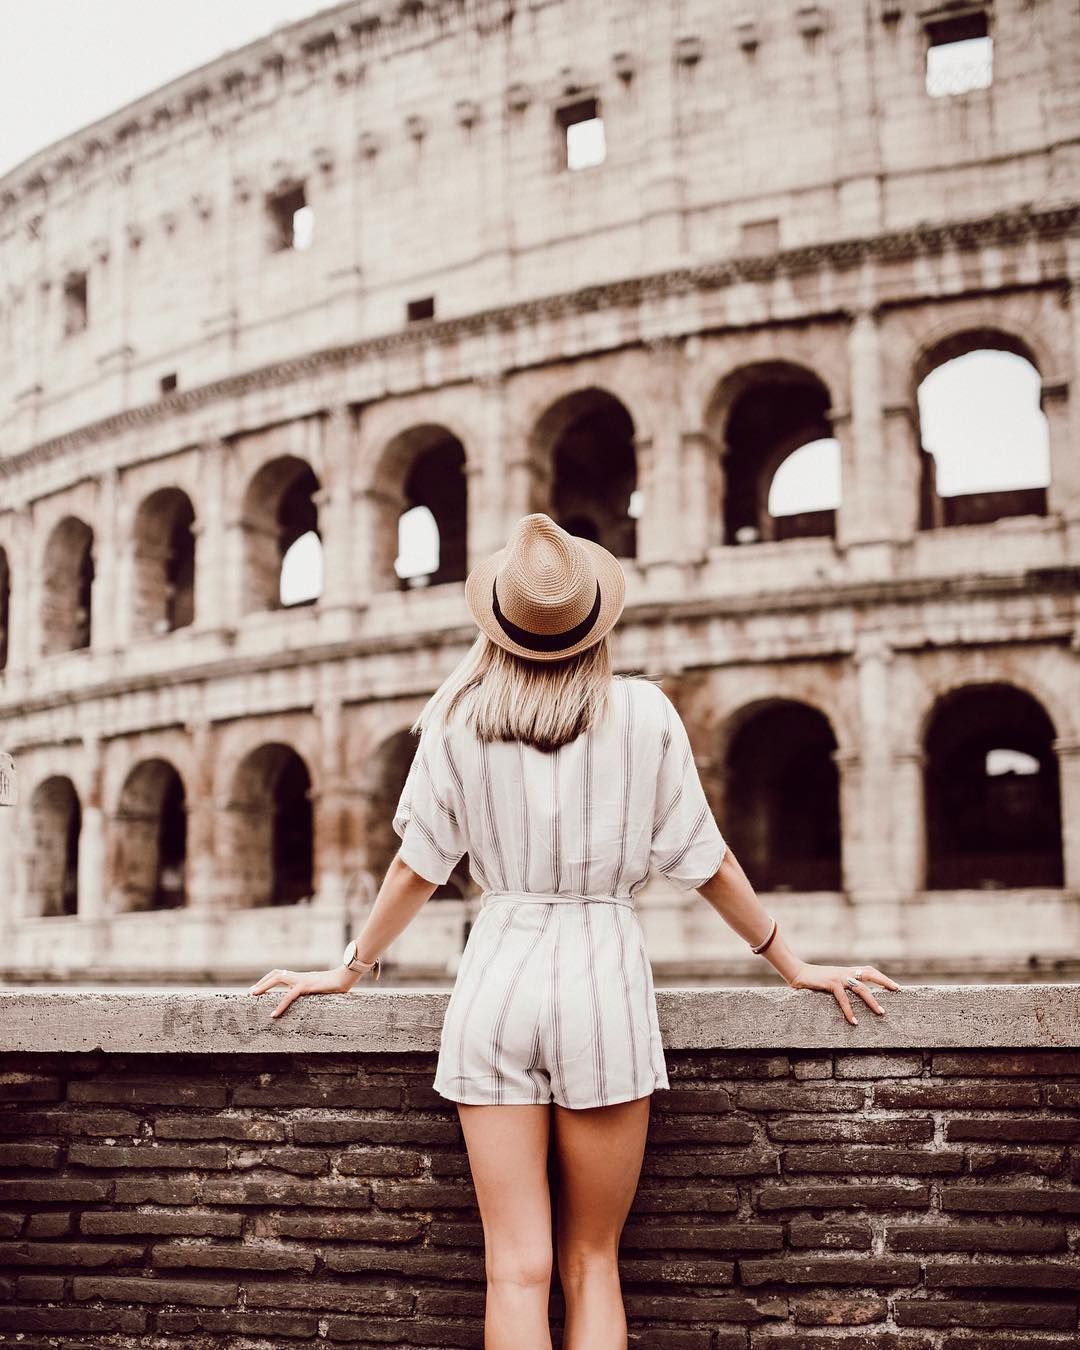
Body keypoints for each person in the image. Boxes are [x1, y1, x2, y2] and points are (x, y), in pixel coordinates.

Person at [250, 511, 899, 1350]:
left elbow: (418, 867)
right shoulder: (643, 712)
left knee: (514, 1270)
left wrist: (348, 968)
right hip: (604, 978)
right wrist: (791, 962)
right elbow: (706, 860)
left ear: (500, 623)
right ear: (595, 623)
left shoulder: (455, 718)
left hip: (495, 980)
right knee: (592, 1259)